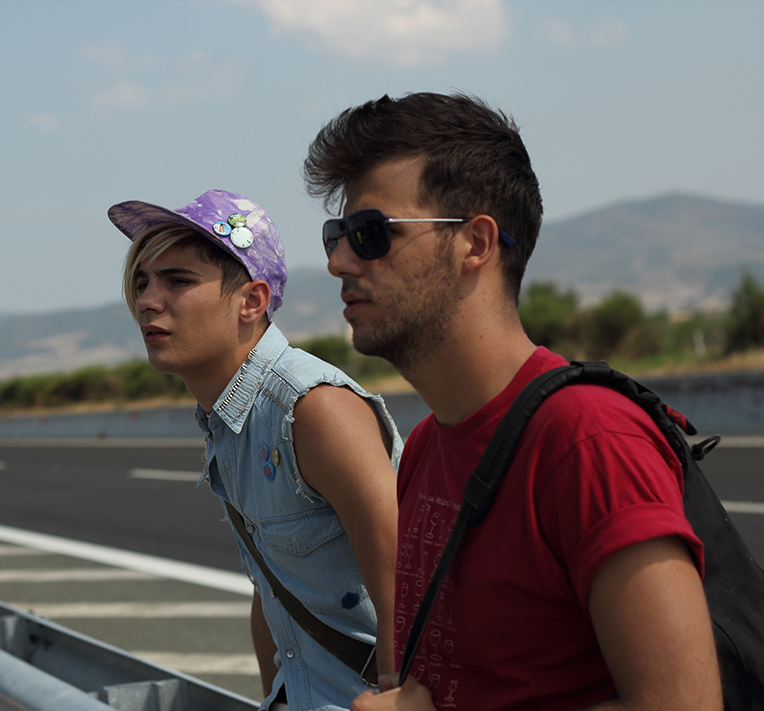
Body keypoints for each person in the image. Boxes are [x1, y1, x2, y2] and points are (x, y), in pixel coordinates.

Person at [302, 93, 722, 711]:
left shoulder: (589, 440)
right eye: (336, 235)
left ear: (475, 243)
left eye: (370, 234)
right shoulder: (426, 447)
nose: (339, 262)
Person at [108, 189, 403, 711]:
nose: (148, 301)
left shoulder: (311, 408)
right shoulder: (229, 418)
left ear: (252, 301)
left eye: (177, 281)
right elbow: (272, 585)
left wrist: (401, 693)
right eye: (142, 282)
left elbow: (405, 579)